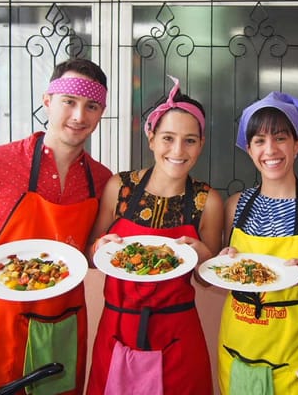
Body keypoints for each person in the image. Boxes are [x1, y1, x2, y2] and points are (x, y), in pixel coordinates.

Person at [0, 58, 113, 395]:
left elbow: (90, 251)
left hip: (63, 323)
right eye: (69, 102)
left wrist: (102, 249)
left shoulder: (102, 181)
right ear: (47, 101)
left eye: (91, 106)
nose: (79, 116)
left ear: (100, 113)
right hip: (0, 320)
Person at [85, 75, 223, 395]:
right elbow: (92, 252)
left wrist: (204, 255)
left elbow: (206, 279)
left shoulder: (207, 200)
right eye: (168, 138)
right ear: (151, 138)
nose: (178, 150)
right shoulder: (119, 187)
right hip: (117, 329)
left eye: (190, 140)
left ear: (201, 144)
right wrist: (98, 248)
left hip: (178, 334)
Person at [217, 92, 298, 394]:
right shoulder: (235, 206)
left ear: (297, 144)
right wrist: (225, 260)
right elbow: (221, 269)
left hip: (295, 357)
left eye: (280, 138)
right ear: (249, 150)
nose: (270, 149)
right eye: (260, 141)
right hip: (237, 347)